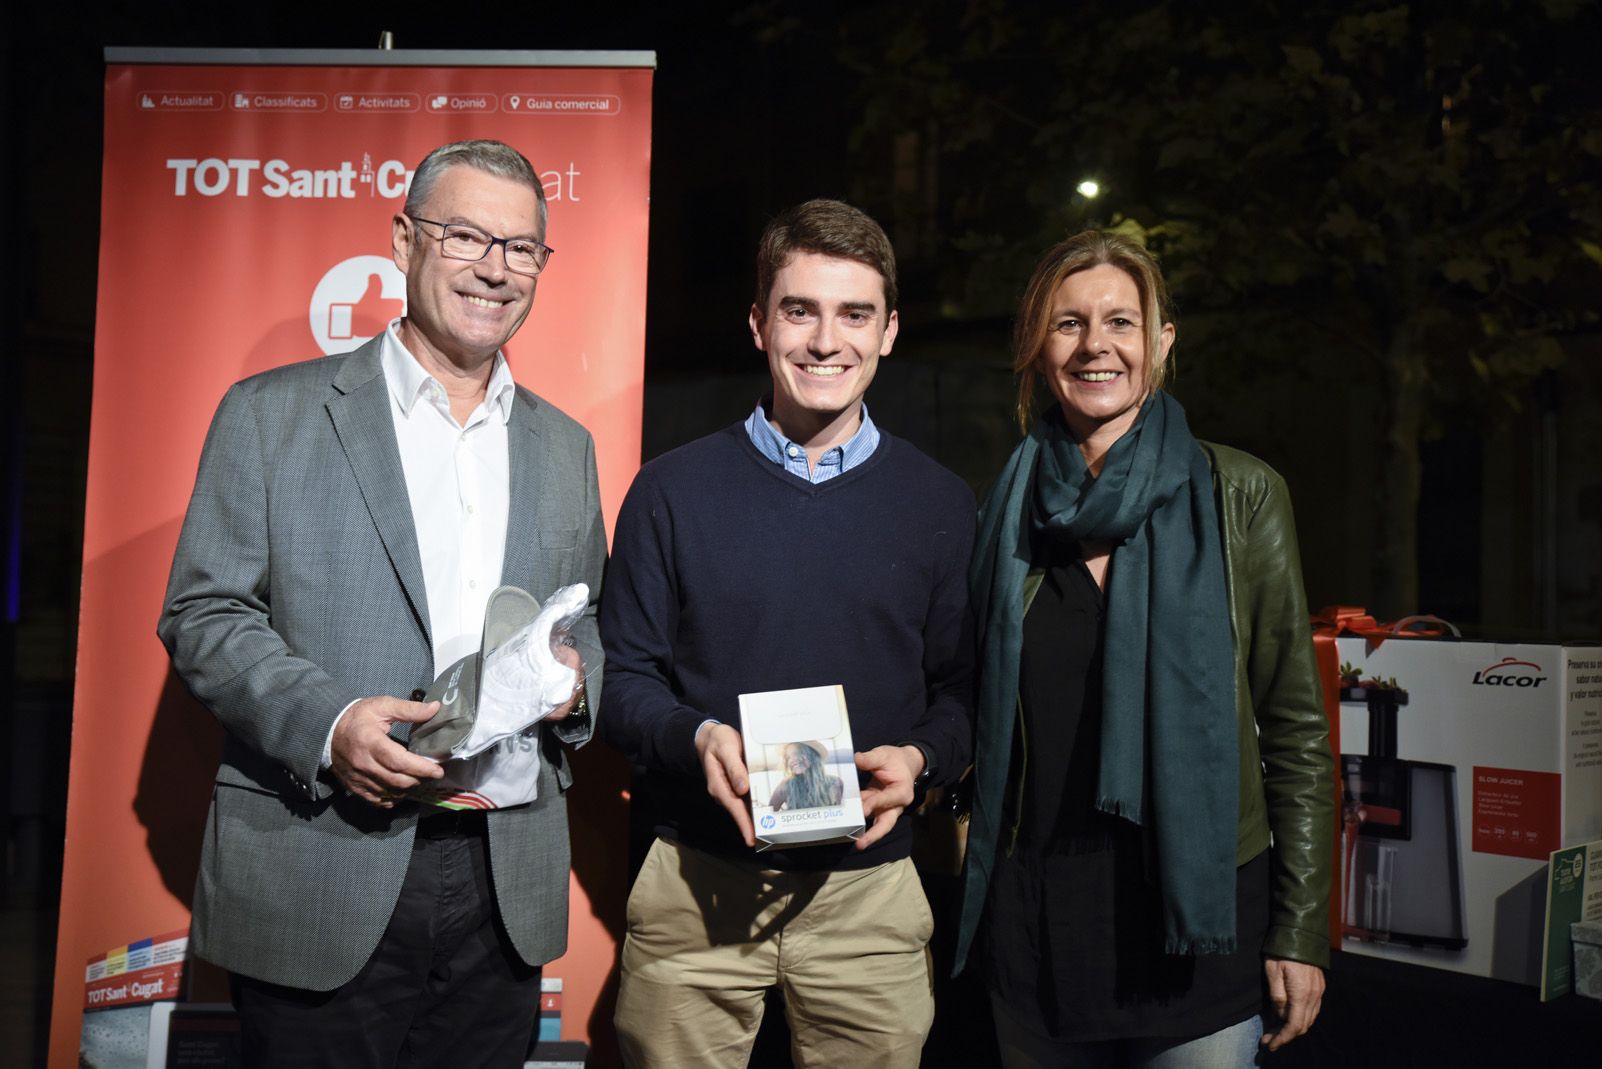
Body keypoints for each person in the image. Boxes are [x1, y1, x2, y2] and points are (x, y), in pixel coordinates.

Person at [158, 139, 606, 1068]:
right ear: (403, 240)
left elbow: (584, 621)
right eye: (466, 235)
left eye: (522, 248)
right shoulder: (270, 413)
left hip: (501, 877)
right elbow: (204, 613)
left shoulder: (566, 446)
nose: (496, 267)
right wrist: (330, 724)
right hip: (324, 860)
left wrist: (573, 680)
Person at [599, 199, 976, 1068]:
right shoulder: (670, 492)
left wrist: (921, 760)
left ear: (888, 331)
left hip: (871, 895)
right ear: (759, 324)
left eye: (854, 314)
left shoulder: (941, 505)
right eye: (799, 310)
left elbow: (966, 690)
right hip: (696, 883)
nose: (824, 340)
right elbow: (621, 681)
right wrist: (695, 737)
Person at [954, 231, 1333, 1066]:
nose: (1097, 345)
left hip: (1195, 926)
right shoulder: (1001, 515)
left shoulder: (1239, 494)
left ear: (1162, 342)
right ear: (1035, 347)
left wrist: (1302, 927)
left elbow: (1296, 734)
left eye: (1122, 321)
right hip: (1038, 932)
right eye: (1068, 324)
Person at [768, 742, 845, 810]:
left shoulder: (836, 782)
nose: (792, 760)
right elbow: (768, 815)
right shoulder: (785, 787)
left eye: (798, 753)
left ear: (813, 756)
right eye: (788, 757)